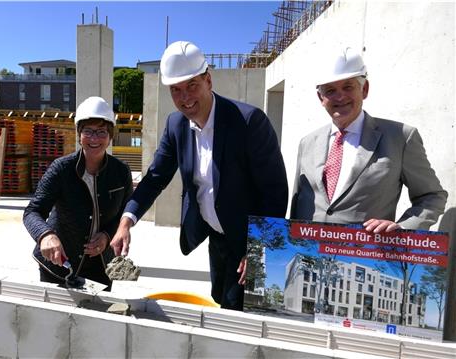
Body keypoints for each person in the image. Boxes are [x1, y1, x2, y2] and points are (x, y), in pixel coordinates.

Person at [110, 41, 288, 310]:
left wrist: (259, 248)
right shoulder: (176, 125)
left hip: (247, 240)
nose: (185, 97)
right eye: (176, 90)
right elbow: (156, 177)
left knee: (241, 312)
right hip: (215, 238)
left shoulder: (249, 122)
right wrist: (127, 220)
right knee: (220, 300)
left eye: (192, 85)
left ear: (208, 80)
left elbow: (274, 191)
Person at [291, 47, 447, 231]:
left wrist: (403, 227)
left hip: (365, 257)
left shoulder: (401, 137)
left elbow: (432, 196)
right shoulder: (308, 142)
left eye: (348, 87)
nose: (340, 96)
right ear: (321, 97)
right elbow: (298, 201)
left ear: (364, 89)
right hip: (309, 254)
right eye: (330, 90)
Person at [23, 96, 133, 288]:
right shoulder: (61, 168)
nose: (94, 139)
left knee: (96, 315)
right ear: (79, 133)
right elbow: (33, 211)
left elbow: (126, 214)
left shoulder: (120, 172)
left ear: (110, 135)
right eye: (88, 131)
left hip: (100, 265)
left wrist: (107, 235)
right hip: (59, 263)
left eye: (101, 132)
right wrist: (45, 235)